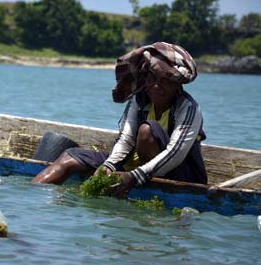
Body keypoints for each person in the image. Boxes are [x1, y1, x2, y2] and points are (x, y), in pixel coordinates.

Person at [32, 42, 207, 197]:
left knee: (147, 131)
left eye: (165, 81)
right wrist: (109, 166)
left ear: (178, 85)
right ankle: (30, 198)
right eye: (153, 77)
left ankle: (142, 185)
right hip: (132, 169)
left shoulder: (188, 108)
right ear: (145, 76)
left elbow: (174, 153)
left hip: (177, 174)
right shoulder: (140, 100)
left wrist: (133, 177)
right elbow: (126, 139)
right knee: (69, 157)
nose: (156, 85)